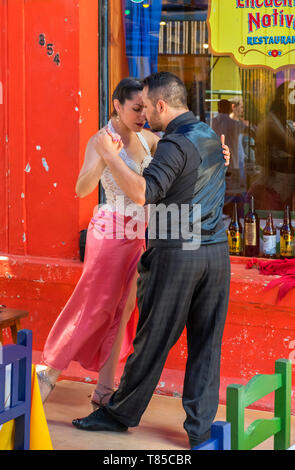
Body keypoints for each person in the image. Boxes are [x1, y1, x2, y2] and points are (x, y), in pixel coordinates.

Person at [72, 72, 231, 450]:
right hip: (215, 253)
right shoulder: (207, 134)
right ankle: (200, 432)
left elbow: (143, 193)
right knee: (207, 345)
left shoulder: (173, 144)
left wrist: (110, 156)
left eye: (146, 106)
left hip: (179, 253)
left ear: (162, 106)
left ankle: (118, 414)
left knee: (152, 340)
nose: (144, 113)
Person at [37, 78, 159, 406]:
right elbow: (81, 189)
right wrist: (107, 157)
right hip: (109, 232)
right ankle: (48, 373)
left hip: (138, 234)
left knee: (126, 309)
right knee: (95, 307)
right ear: (116, 105)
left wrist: (218, 153)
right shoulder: (100, 140)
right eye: (135, 108)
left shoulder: (148, 138)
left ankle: (105, 389)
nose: (142, 115)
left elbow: (180, 159)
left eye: (144, 109)